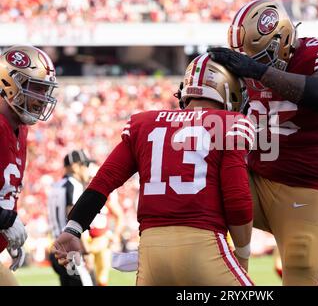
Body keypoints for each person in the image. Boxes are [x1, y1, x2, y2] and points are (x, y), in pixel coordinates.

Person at [52, 54, 255, 286]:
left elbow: (104, 181)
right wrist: (243, 251)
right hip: (204, 246)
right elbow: (237, 199)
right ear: (230, 92)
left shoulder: (144, 124)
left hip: (151, 252)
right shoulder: (230, 123)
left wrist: (74, 227)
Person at [208, 0, 318, 285]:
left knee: (301, 275)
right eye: (248, 59)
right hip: (254, 179)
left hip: (309, 189)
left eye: (259, 57)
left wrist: (259, 70)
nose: (253, 65)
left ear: (283, 39)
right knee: (194, 180)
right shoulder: (248, 69)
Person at [0, 45, 58, 285]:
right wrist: (4, 220)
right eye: (37, 89)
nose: (43, 99)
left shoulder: (20, 129)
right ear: (9, 84)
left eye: (46, 90)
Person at [47, 149, 93, 286]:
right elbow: (75, 220)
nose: (87, 169)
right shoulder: (75, 185)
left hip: (56, 248)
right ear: (74, 166)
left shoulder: (55, 186)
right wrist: (86, 251)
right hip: (70, 251)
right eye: (85, 164)